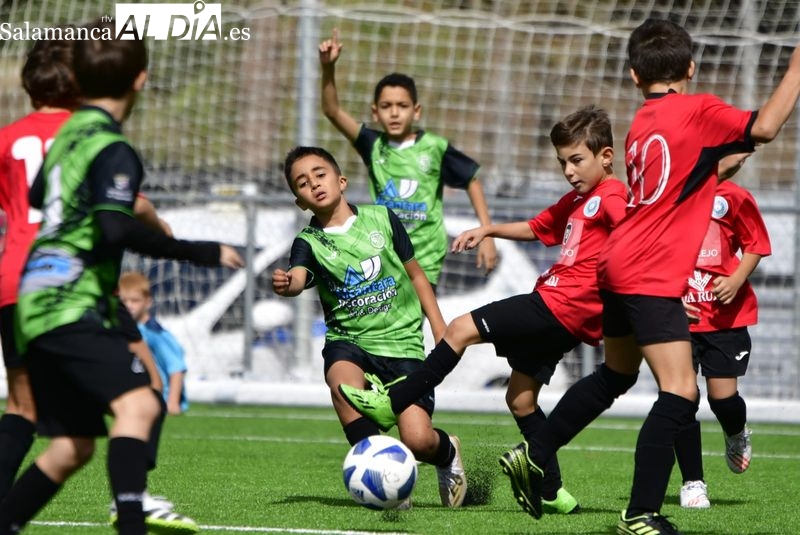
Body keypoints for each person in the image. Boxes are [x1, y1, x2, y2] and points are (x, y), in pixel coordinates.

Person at [341, 18, 800, 534]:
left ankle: (536, 452)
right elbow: (763, 125)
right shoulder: (696, 109)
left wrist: (724, 162)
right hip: (646, 274)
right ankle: (641, 511)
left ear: (633, 76)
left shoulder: (642, 124)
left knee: (617, 374)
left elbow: (685, 180)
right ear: (691, 67)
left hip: (617, 270)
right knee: (679, 393)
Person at [0, 19, 244, 535]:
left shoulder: (69, 137)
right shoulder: (115, 149)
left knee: (72, 446)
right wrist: (201, 251)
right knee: (141, 403)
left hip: (32, 296)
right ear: (141, 79)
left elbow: (44, 193)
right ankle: (132, 522)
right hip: (70, 298)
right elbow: (114, 227)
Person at [339, 105, 628, 516]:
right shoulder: (580, 198)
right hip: (563, 314)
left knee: (458, 329)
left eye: (577, 160)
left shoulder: (614, 196)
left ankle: (394, 401)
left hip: (558, 304)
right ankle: (552, 491)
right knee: (522, 401)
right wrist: (489, 228)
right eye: (563, 161)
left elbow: (634, 233)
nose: (568, 170)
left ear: (607, 156)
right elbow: (538, 228)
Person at [272, 145, 467, 508]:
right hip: (350, 342)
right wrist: (288, 285)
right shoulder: (309, 242)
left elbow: (417, 275)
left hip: (403, 345)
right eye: (302, 183)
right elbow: (298, 277)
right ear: (300, 201)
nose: (314, 184)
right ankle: (386, 474)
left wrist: (439, 327)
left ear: (341, 180)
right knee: (341, 384)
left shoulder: (382, 218)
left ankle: (446, 453)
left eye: (320, 174)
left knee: (418, 440)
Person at [319, 29, 497, 289]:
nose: (394, 113)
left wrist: (488, 234)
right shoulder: (373, 144)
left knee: (411, 327)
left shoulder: (434, 147)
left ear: (416, 111)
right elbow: (332, 111)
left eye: (401, 106)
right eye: (386, 106)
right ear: (375, 112)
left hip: (425, 258)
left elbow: (472, 180)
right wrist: (328, 69)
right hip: (385, 253)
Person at [0, 35, 78, 506]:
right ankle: (131, 498)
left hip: (14, 279)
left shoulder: (7, 139)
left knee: (20, 407)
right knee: (138, 391)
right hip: (71, 280)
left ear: (29, 87)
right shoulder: (92, 134)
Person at [675, 177, 771, 509]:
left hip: (724, 320)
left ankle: (736, 432)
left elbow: (756, 243)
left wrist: (735, 278)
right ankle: (692, 483)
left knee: (722, 398)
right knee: (680, 399)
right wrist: (670, 296)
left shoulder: (732, 196)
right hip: (680, 318)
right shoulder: (670, 193)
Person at [119, 271, 190, 415]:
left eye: (134, 301)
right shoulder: (121, 328)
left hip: (159, 401)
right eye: (124, 301)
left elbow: (176, 368)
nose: (129, 306)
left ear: (148, 302)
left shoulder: (154, 332)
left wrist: (172, 403)